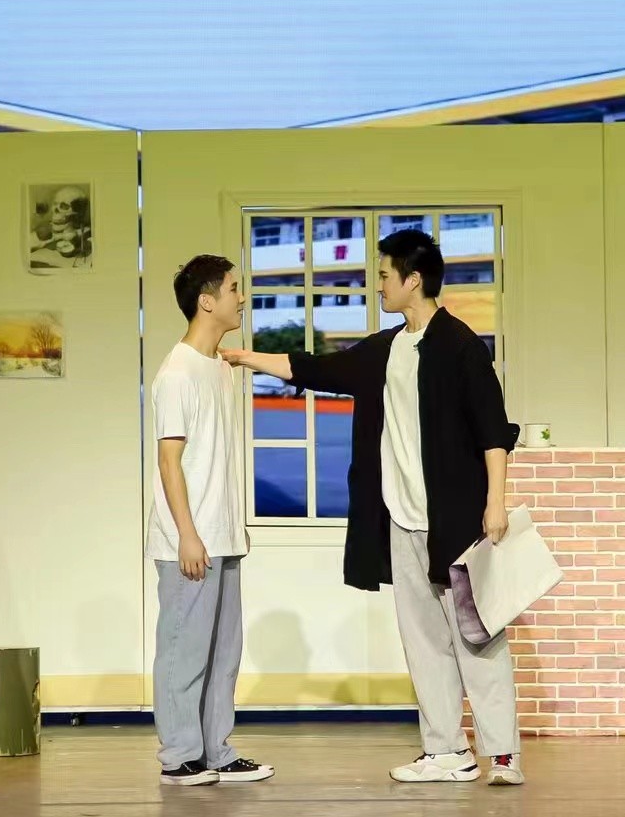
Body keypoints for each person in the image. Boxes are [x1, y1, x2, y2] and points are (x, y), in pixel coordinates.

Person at [223, 230, 524, 787]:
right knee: (424, 641)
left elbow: (493, 431)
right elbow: (319, 369)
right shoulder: (387, 349)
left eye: (384, 275)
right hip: (401, 521)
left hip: (457, 521)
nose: (378, 284)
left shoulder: (460, 346)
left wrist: (495, 503)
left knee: (477, 636)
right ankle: (446, 751)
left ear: (414, 279)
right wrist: (245, 358)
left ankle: (502, 754)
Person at [148, 255, 272, 786]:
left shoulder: (219, 367)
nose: (241, 297)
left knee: (223, 653)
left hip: (223, 535)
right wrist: (187, 535)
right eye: (233, 289)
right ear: (207, 300)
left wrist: (230, 527)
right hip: (189, 539)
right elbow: (168, 461)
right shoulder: (176, 373)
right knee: (184, 649)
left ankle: (216, 750)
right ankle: (179, 756)